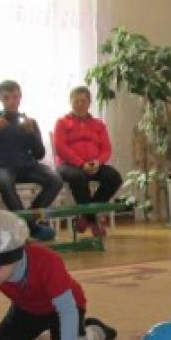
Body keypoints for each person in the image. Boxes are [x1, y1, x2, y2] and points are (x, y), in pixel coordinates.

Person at [0, 209, 116, 340]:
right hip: (27, 309)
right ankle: (47, 333)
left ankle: (97, 330)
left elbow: (67, 308)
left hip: (63, 307)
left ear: (17, 256)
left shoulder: (47, 262)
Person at [0, 80, 64, 242]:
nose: (11, 101)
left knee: (56, 180)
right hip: (2, 167)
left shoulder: (29, 121)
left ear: (20, 97)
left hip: (28, 166)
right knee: (3, 182)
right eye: (6, 98)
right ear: (0, 98)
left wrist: (31, 133)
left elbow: (39, 154)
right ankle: (31, 227)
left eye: (15, 97)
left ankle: (26, 224)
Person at [52, 86, 122, 237]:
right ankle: (93, 220)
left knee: (114, 177)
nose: (79, 104)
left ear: (89, 102)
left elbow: (106, 149)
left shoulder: (99, 124)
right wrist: (80, 163)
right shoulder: (62, 122)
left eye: (83, 101)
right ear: (70, 102)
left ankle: (86, 216)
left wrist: (98, 162)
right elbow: (60, 148)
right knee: (78, 177)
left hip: (93, 164)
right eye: (76, 101)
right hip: (68, 165)